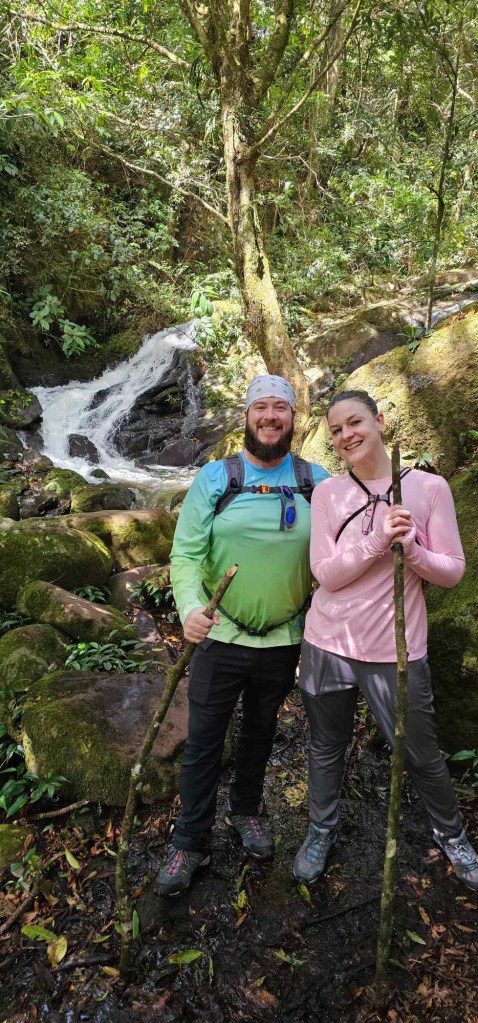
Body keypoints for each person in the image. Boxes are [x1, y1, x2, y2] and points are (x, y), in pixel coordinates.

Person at [293, 389, 478, 891]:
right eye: (336, 430)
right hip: (327, 643)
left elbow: (452, 572)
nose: (346, 435)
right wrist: (377, 540)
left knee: (419, 751)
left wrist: (411, 549)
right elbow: (325, 574)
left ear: (379, 421)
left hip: (395, 651)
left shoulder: (429, 488)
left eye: (355, 422)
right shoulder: (328, 494)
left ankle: (452, 834)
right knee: (326, 745)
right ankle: (320, 829)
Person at [156, 374, 329, 897]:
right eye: (261, 407)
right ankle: (191, 841)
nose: (270, 416)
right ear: (247, 415)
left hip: (283, 639)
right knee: (204, 742)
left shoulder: (317, 481)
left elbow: (351, 539)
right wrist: (190, 608)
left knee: (260, 730)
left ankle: (246, 809)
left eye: (281, 407)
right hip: (220, 636)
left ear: (294, 417)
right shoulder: (216, 477)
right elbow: (186, 555)